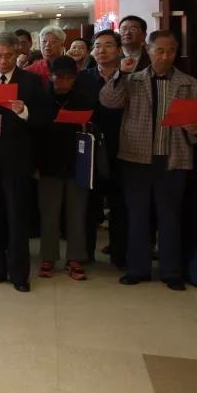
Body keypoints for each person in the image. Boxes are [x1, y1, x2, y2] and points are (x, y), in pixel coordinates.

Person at [101, 30, 197, 290]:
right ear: (148, 51)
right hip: (136, 158)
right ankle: (137, 269)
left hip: (173, 158)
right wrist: (120, 74)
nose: (165, 56)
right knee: (137, 215)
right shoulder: (133, 80)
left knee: (170, 216)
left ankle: (171, 272)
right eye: (159, 50)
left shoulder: (190, 84)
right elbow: (108, 100)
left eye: (170, 51)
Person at [0, 32, 49, 293]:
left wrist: (24, 111)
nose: (3, 61)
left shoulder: (31, 81)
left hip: (17, 160)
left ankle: (19, 274)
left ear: (17, 54)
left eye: (8, 56)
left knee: (17, 219)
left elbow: (45, 118)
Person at [36, 56, 93, 281]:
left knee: (77, 213)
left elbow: (93, 126)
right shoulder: (42, 98)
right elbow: (35, 130)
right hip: (49, 163)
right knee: (49, 214)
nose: (64, 82)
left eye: (69, 78)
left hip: (77, 162)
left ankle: (75, 258)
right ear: (51, 76)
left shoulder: (83, 98)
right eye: (59, 77)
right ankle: (48, 257)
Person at [79, 30, 127, 267]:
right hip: (91, 146)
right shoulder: (83, 78)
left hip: (122, 145)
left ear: (118, 50)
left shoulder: (130, 77)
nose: (102, 50)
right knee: (89, 204)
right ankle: (85, 254)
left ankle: (119, 256)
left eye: (108, 45)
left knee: (120, 204)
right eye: (97, 46)